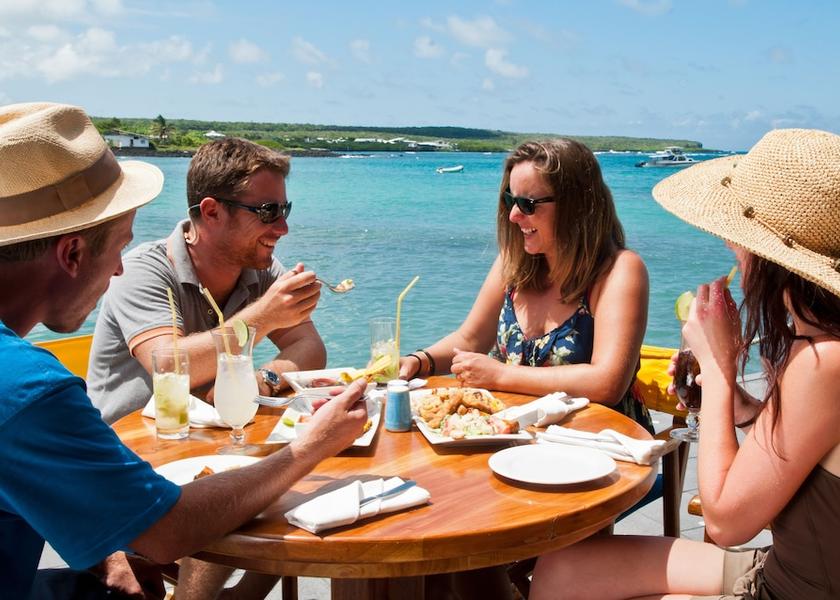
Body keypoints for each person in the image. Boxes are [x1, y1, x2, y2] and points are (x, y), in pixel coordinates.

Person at [0, 102, 368, 599]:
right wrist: (313, 446)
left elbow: (30, 474)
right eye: (116, 250)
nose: (118, 273)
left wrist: (103, 554)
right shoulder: (25, 388)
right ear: (71, 253)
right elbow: (171, 529)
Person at [530, 128, 840, 599]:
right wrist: (736, 404)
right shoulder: (821, 346)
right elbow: (803, 449)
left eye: (739, 238)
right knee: (563, 569)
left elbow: (726, 518)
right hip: (795, 568)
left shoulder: (823, 360)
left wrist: (717, 368)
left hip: (793, 588)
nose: (731, 248)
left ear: (771, 256)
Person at [400, 139, 653, 433]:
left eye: (528, 204)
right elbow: (470, 339)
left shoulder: (619, 270)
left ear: (577, 207)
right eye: (511, 200)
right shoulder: (515, 262)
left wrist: (500, 375)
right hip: (515, 439)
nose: (513, 215)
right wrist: (419, 362)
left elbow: (607, 383)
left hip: (602, 450)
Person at [87, 136, 325, 425]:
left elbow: (310, 347)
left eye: (284, 210)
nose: (283, 227)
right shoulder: (143, 270)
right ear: (212, 211)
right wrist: (263, 317)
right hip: (129, 451)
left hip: (211, 445)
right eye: (268, 212)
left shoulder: (259, 267)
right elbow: (169, 366)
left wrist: (264, 379)